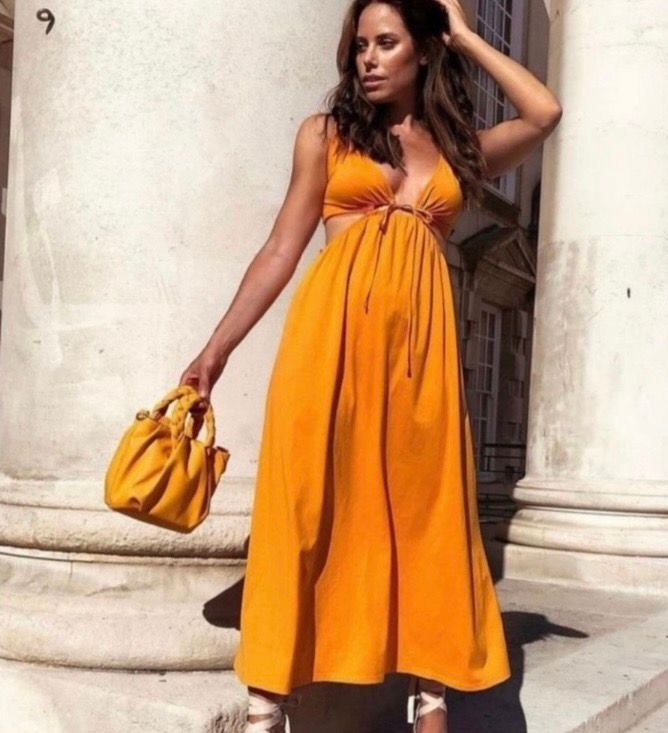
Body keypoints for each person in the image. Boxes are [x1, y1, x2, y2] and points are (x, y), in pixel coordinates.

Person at [179, 1, 561, 731]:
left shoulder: (458, 152)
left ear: (423, 50)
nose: (369, 59)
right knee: (303, 506)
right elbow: (281, 249)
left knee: (428, 515)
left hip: (422, 361)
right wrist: (215, 349)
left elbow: (544, 113)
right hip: (328, 344)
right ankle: (266, 704)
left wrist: (467, 35)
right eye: (361, 45)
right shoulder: (325, 135)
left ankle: (431, 695)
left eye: (387, 43)